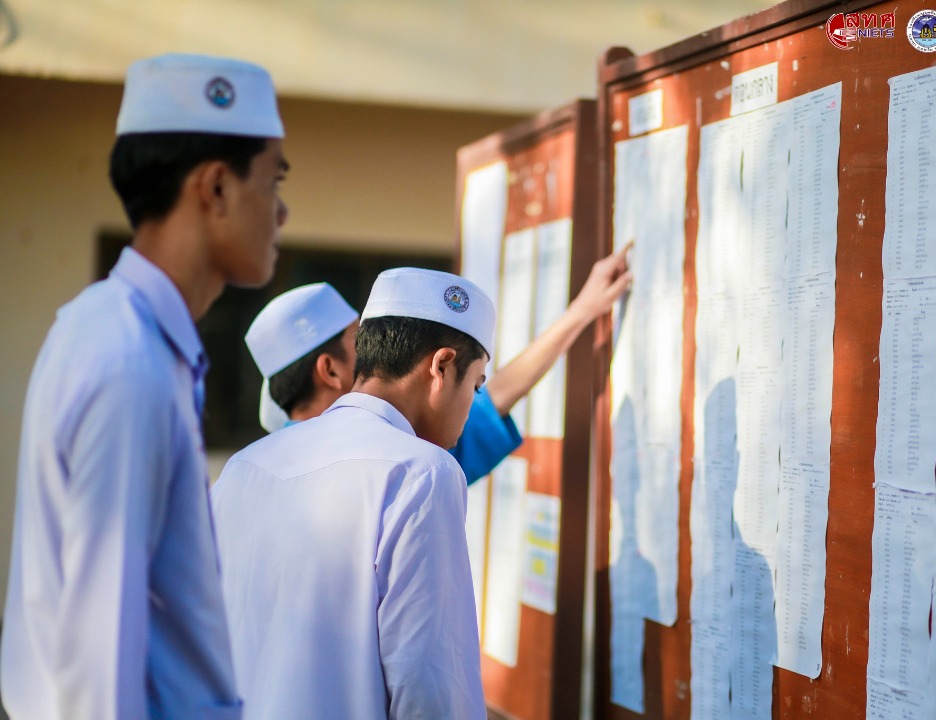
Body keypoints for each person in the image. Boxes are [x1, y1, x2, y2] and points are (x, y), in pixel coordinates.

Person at [1, 53, 288, 719]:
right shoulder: (129, 361)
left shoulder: (114, 330)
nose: (281, 211)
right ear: (217, 187)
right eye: (273, 179)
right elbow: (100, 657)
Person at [211, 268, 496, 719]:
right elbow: (429, 686)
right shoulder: (423, 472)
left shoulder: (244, 466)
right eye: (477, 384)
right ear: (442, 366)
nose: (473, 405)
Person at [243, 244, 632, 482]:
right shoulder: (416, 468)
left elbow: (491, 400)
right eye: (358, 342)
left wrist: (582, 311)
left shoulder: (248, 470)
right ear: (329, 370)